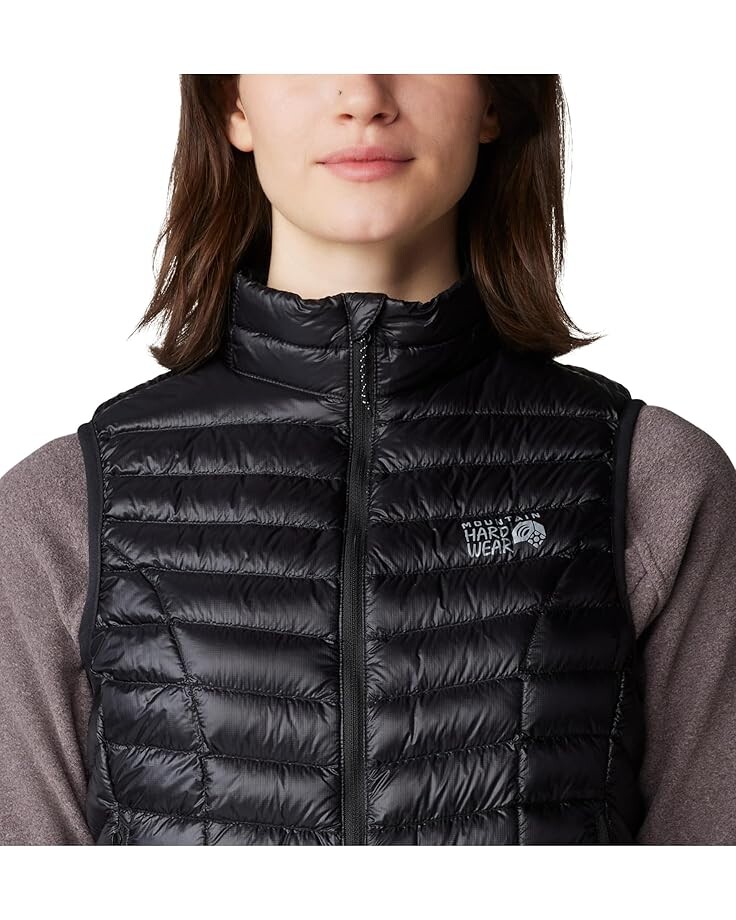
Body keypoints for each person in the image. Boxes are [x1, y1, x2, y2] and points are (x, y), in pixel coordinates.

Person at [1, 74, 734, 846]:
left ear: (493, 98)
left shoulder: (652, 481)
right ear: (233, 105)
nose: (363, 94)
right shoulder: (62, 509)